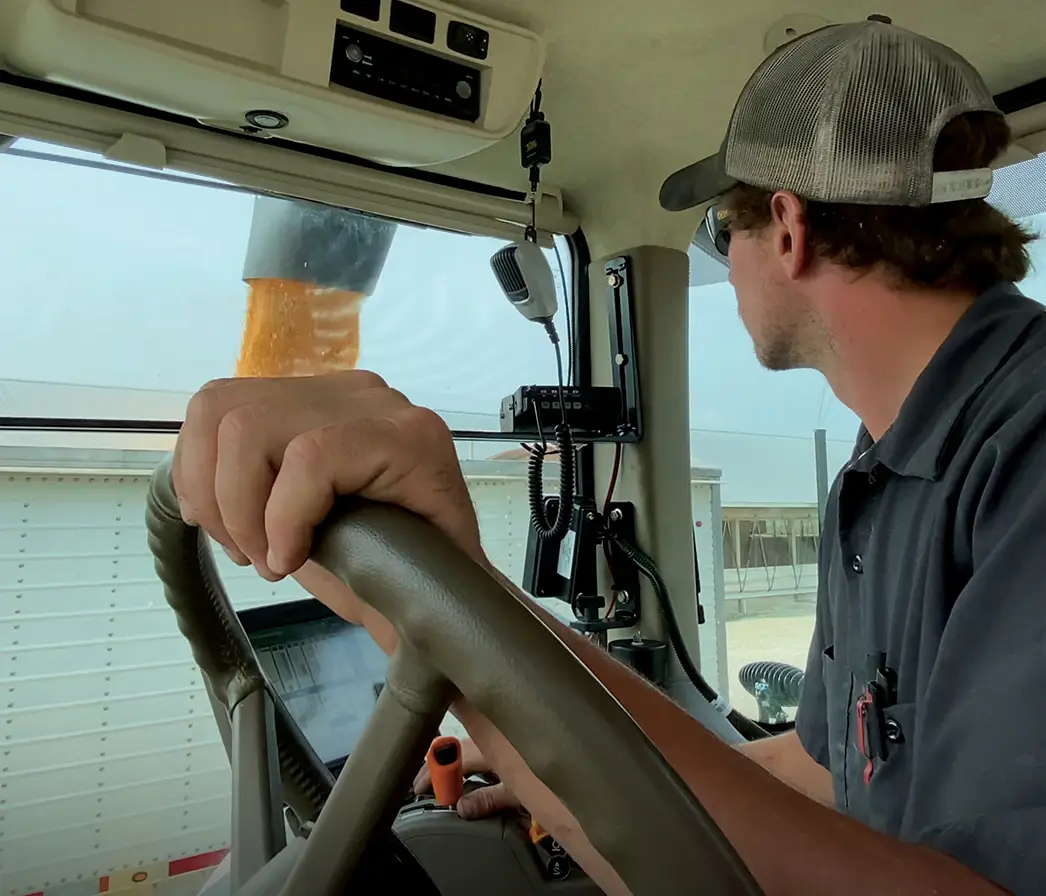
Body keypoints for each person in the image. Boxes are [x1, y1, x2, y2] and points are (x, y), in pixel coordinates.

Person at [172, 17, 1045, 896]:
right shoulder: (882, 474)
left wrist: (460, 645)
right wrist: (550, 758)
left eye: (718, 230)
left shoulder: (1029, 452)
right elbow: (824, 772)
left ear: (786, 229)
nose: (728, 263)